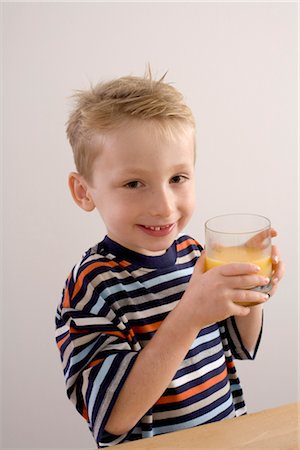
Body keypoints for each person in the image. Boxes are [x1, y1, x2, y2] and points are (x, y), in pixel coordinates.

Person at [55, 72, 284, 448]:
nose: (164, 206)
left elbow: (242, 348)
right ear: (84, 192)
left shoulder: (197, 254)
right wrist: (191, 313)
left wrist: (253, 292)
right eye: (134, 183)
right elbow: (113, 418)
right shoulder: (91, 287)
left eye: (177, 178)